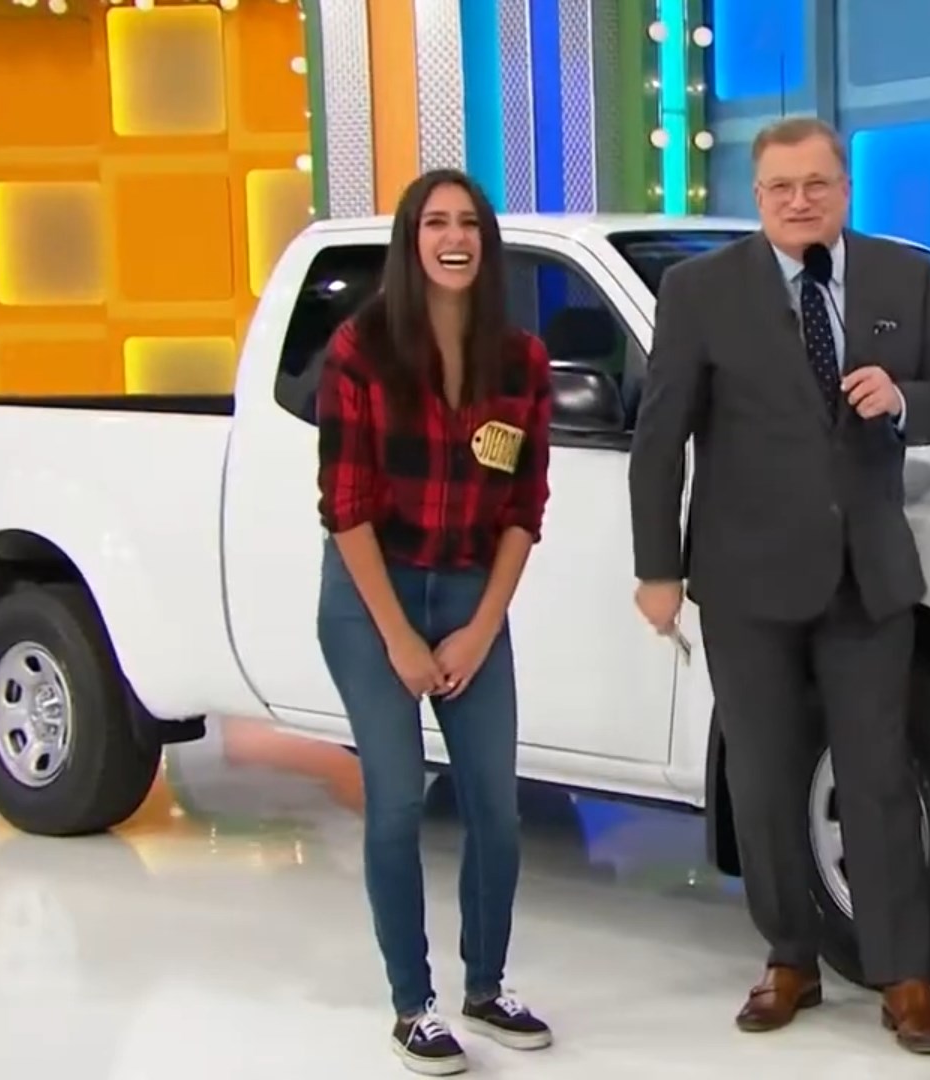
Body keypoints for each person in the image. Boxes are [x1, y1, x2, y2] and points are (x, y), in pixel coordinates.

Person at [627, 115, 930, 1055]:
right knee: (767, 779)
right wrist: (658, 567)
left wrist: (903, 401)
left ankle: (904, 975)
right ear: (758, 195)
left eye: (816, 184)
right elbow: (659, 441)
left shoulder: (904, 277)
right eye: (780, 188)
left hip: (868, 575)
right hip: (745, 581)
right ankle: (790, 957)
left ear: (844, 188)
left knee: (877, 778)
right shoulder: (701, 290)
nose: (799, 201)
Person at [314, 167, 556, 1075]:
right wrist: (401, 640)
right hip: (369, 595)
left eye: (469, 223)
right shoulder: (361, 349)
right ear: (411, 242)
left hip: (469, 598)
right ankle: (411, 1004)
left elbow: (526, 506)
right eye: (435, 222)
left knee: (497, 805)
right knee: (400, 798)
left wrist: (480, 628)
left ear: (486, 243)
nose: (454, 237)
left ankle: (486, 986)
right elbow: (346, 509)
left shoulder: (520, 362)